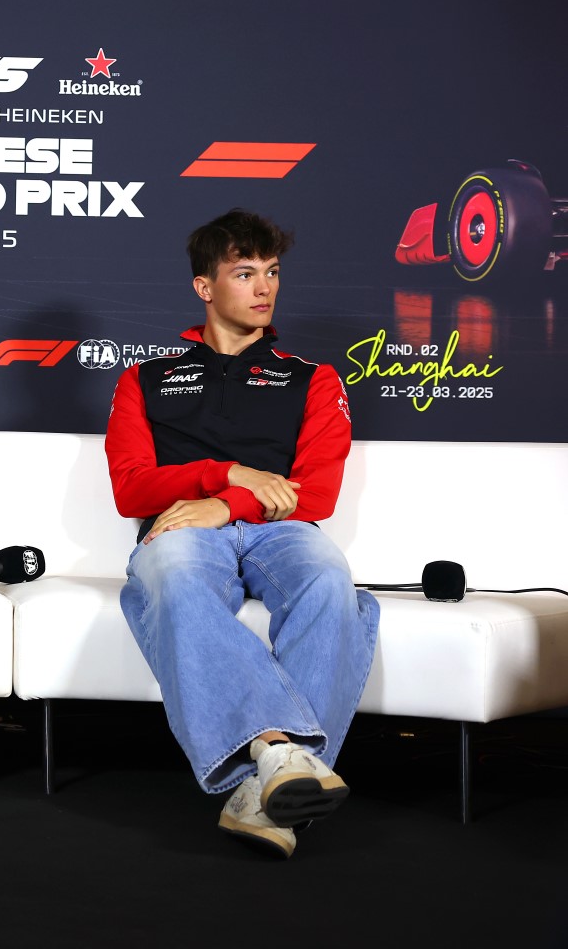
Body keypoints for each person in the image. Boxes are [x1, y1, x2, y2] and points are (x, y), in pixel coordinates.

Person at [104, 208, 380, 858]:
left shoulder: (312, 378)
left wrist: (224, 504)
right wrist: (226, 472)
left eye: (273, 272)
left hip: (278, 530)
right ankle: (280, 758)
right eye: (245, 272)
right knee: (171, 578)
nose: (265, 287)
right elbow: (132, 490)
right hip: (181, 533)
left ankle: (265, 788)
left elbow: (316, 494)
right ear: (205, 286)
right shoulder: (144, 378)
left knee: (330, 580)